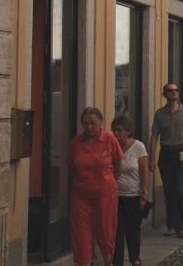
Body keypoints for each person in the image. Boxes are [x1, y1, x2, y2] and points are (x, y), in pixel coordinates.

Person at [68, 107, 122, 266]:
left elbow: (118, 165)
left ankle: (107, 260)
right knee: (81, 235)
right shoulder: (75, 143)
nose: (89, 127)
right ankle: (84, 262)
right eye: (85, 124)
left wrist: (109, 182)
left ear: (101, 123)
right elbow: (72, 168)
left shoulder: (110, 140)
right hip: (81, 194)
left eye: (92, 123)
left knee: (105, 234)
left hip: (105, 193)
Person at [149, 82, 183, 238]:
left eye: (176, 90)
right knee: (169, 190)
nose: (173, 92)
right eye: (170, 90)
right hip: (166, 154)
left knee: (181, 189)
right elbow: (155, 136)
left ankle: (181, 226)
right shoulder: (160, 114)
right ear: (164, 94)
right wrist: (152, 157)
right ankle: (171, 224)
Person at [111, 114, 148, 266]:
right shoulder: (112, 146)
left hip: (133, 195)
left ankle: (134, 258)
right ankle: (117, 261)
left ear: (128, 131)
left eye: (120, 130)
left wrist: (143, 194)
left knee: (132, 229)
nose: (117, 134)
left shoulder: (138, 147)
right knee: (116, 230)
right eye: (114, 130)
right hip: (115, 195)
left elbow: (144, 173)